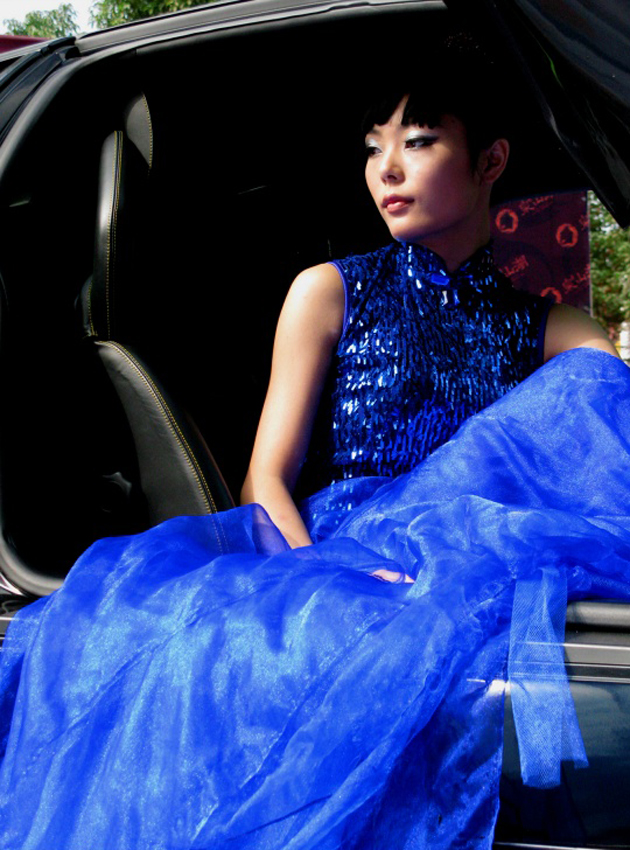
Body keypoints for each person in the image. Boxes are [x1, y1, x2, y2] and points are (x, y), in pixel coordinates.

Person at [1, 38, 629, 850]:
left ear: (491, 160)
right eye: (372, 148)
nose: (386, 170)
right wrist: (327, 575)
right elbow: (266, 476)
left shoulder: (557, 330)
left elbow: (602, 462)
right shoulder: (328, 291)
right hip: (334, 553)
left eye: (419, 141)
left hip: (474, 563)